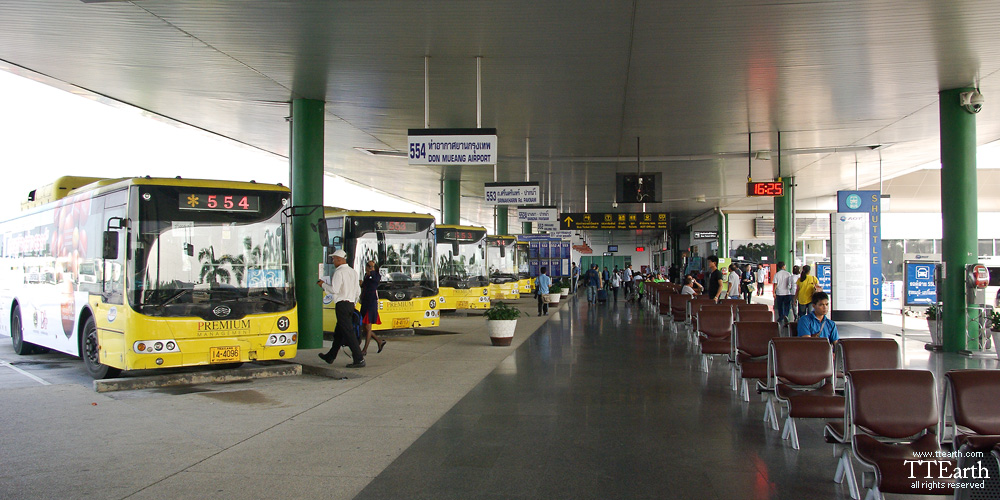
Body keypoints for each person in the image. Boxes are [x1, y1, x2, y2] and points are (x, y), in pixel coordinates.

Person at [317, 249, 365, 368]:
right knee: (339, 333)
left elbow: (335, 290)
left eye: (334, 259)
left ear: (339, 259)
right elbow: (357, 291)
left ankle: (359, 359)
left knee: (348, 333)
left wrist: (322, 284)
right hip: (350, 305)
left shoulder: (339, 273)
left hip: (342, 305)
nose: (333, 261)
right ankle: (330, 356)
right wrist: (353, 302)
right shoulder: (353, 272)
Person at [359, 260, 386, 355]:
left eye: (371, 267)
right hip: (365, 302)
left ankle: (365, 349)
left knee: (368, 326)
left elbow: (374, 281)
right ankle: (379, 341)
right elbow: (366, 287)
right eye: (368, 266)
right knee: (364, 327)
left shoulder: (376, 276)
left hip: (371, 303)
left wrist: (372, 268)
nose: (369, 268)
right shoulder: (366, 276)